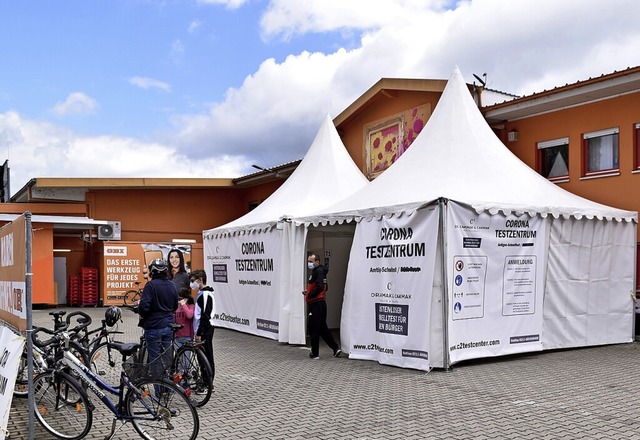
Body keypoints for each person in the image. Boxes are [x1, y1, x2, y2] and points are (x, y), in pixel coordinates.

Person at [138, 258, 179, 375]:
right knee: (167, 359)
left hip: (154, 326)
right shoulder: (172, 285)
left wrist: (141, 310)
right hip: (169, 326)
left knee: (155, 361)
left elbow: (144, 307)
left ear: (152, 271)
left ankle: (159, 391)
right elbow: (175, 306)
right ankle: (169, 389)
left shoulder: (150, 286)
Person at [304, 253, 341, 359]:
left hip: (316, 303)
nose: (309, 263)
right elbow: (324, 287)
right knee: (322, 328)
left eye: (311, 261)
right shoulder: (319, 272)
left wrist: (309, 294)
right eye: (308, 261)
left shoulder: (318, 272)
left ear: (317, 262)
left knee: (314, 328)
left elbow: (320, 287)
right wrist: (308, 292)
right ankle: (335, 348)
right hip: (319, 303)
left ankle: (315, 353)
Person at [191, 269, 215, 383]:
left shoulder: (205, 295)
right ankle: (204, 380)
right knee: (201, 357)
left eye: (193, 281)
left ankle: (208, 383)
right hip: (200, 330)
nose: (192, 284)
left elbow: (205, 316)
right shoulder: (201, 294)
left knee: (207, 356)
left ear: (200, 280)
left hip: (205, 330)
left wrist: (200, 333)